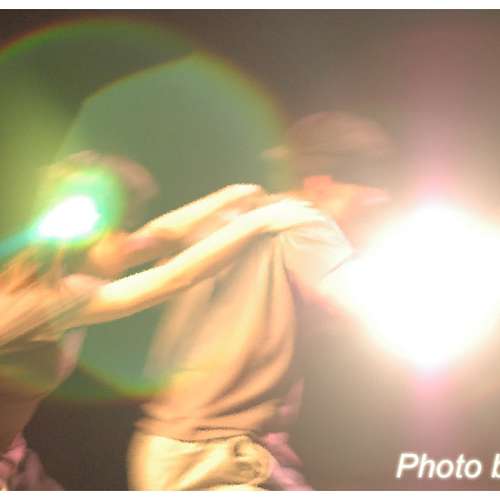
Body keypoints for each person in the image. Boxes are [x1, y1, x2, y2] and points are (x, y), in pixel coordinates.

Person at [0, 152, 319, 490]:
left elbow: (159, 236)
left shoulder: (44, 274)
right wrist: (261, 222)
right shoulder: (47, 300)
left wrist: (231, 195)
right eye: (118, 231)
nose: (128, 241)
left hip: (13, 457)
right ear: (86, 241)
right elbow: (173, 278)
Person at [128, 111, 397, 490]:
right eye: (367, 184)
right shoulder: (307, 224)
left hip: (168, 448)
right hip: (218, 459)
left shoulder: (235, 217)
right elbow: (384, 314)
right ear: (321, 185)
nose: (379, 197)